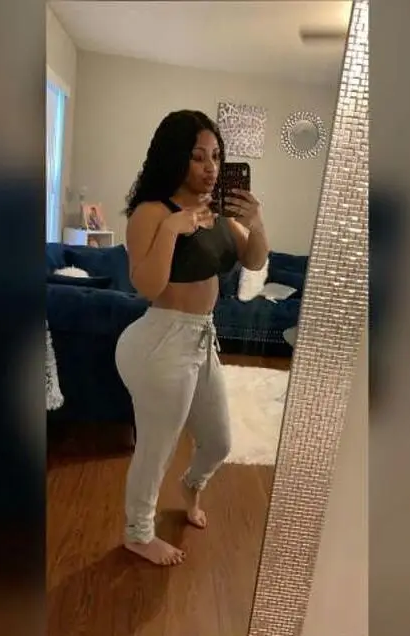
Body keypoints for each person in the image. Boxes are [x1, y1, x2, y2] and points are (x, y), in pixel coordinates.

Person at [115, 109, 269, 565]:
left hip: (202, 339)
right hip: (161, 342)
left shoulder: (217, 214)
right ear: (175, 157)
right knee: (157, 449)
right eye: (198, 156)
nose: (210, 167)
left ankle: (192, 485)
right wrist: (170, 229)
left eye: (216, 156)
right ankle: (137, 533)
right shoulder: (151, 212)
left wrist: (257, 221)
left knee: (219, 441)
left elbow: (255, 260)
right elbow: (148, 286)